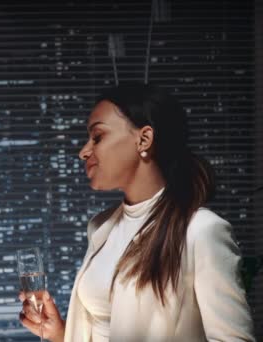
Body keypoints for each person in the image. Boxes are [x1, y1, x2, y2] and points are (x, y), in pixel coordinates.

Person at [19, 84, 255, 341]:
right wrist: (62, 333)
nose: (84, 152)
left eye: (97, 137)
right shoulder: (100, 227)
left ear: (144, 139)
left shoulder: (201, 231)